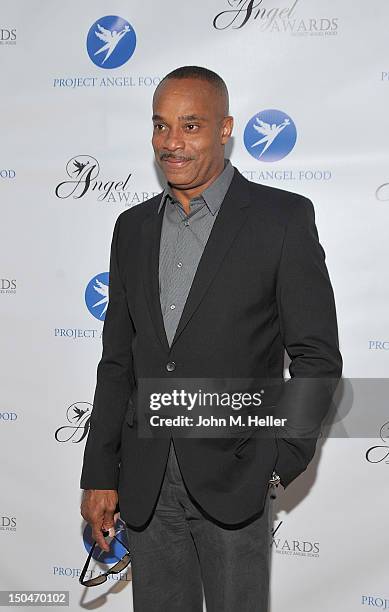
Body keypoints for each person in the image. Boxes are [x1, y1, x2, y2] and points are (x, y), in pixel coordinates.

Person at [80, 66, 342, 611]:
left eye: (190, 125)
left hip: (238, 478)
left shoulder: (282, 219)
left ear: (225, 129)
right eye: (161, 126)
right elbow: (116, 362)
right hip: (145, 482)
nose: (171, 142)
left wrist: (279, 461)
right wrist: (102, 473)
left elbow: (316, 358)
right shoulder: (132, 228)